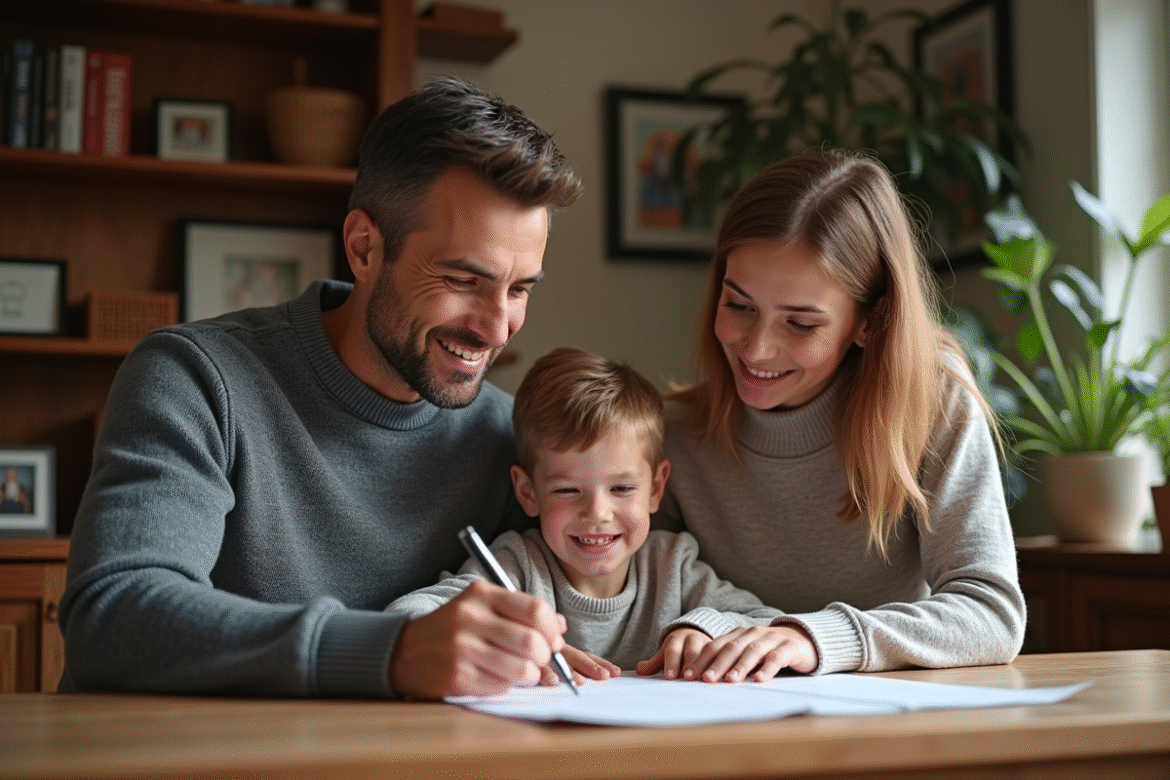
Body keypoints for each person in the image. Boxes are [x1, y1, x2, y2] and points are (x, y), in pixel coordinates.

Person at [59, 76, 583, 699]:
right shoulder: (196, 378)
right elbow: (113, 618)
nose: (498, 327)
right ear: (364, 248)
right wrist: (392, 652)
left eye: (520, 289)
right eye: (464, 279)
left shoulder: (507, 437)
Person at [644, 150, 1026, 684]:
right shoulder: (672, 433)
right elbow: (632, 595)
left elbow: (992, 614)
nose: (756, 349)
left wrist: (811, 637)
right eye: (738, 306)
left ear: (868, 322)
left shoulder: (934, 403)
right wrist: (697, 627)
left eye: (800, 324)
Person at [388, 346, 786, 676]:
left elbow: (769, 621)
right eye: (567, 490)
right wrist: (513, 644)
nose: (597, 512)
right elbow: (405, 618)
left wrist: (705, 626)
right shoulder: (516, 566)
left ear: (656, 488)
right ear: (528, 493)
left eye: (622, 488)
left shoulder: (672, 566)